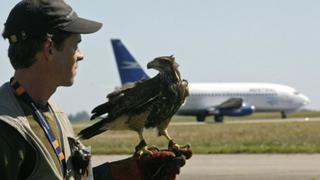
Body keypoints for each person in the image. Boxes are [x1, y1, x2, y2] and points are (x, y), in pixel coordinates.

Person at [0, 0, 192, 180]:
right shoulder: (7, 128)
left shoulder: (54, 113)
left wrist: (129, 171)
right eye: (76, 46)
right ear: (50, 48)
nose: (81, 55)